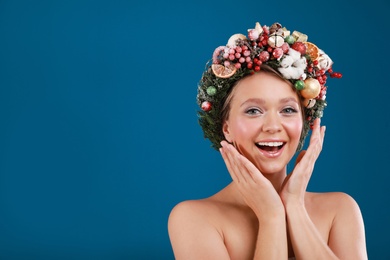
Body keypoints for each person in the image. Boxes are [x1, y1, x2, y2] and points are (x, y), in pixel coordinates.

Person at [168, 21, 367, 259]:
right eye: (253, 111)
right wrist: (271, 216)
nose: (273, 126)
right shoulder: (193, 219)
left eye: (288, 110)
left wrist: (294, 206)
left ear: (305, 121)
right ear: (226, 128)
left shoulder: (340, 210)